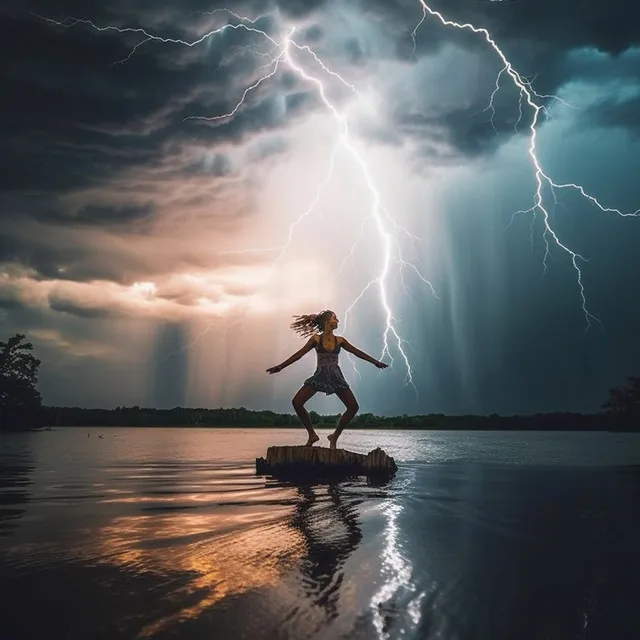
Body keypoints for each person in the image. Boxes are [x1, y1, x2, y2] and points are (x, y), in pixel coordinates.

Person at [266, 310, 388, 448]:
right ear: (326, 321)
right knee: (297, 402)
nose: (338, 320)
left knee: (353, 407)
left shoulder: (340, 340)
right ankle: (312, 435)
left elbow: (357, 352)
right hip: (320, 375)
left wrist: (375, 362)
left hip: (336, 377)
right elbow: (299, 354)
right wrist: (281, 366)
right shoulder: (315, 339)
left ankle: (334, 436)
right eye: (335, 317)